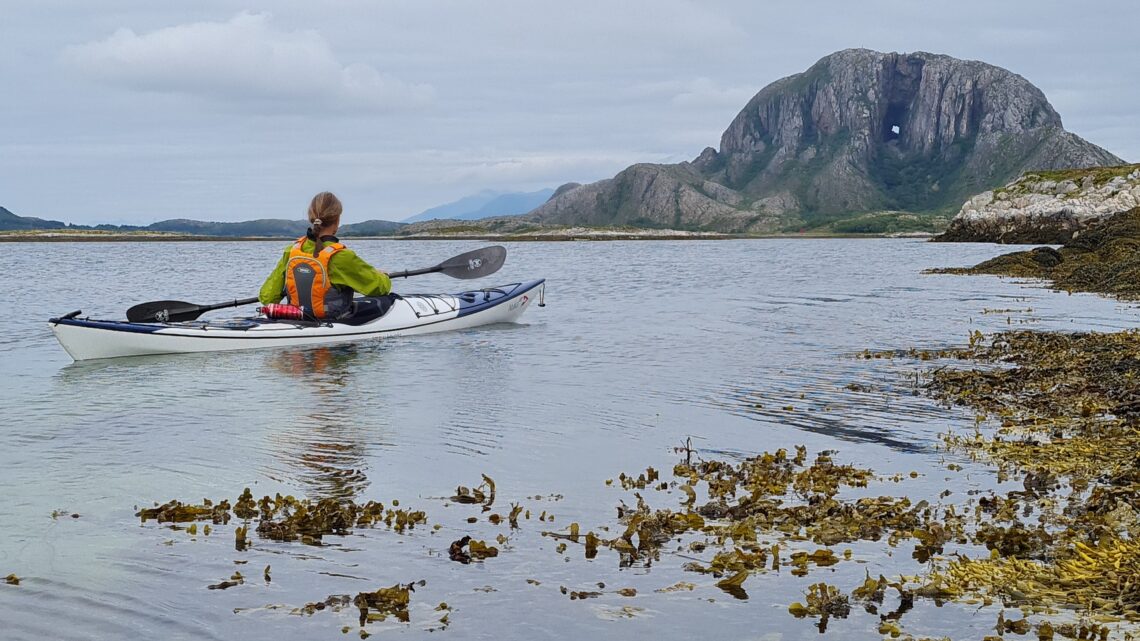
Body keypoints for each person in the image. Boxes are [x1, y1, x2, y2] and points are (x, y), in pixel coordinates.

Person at [259, 192, 392, 319]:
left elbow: (267, 297)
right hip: (333, 320)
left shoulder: (292, 251)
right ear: (337, 219)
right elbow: (378, 288)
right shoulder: (341, 256)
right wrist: (383, 276)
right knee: (388, 301)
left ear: (311, 217)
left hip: (298, 317)